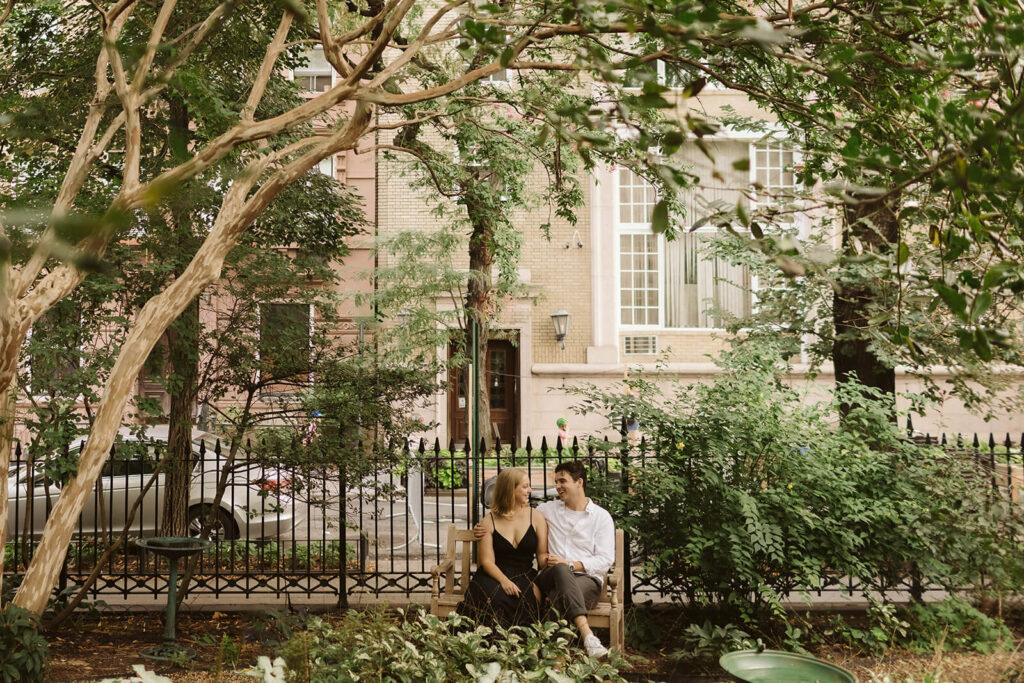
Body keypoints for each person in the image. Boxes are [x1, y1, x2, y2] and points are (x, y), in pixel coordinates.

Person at [475, 461, 613, 658]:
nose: (557, 486)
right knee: (560, 571)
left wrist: (571, 564)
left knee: (559, 596)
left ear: (579, 482)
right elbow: (513, 511)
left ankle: (554, 659)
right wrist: (479, 528)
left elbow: (605, 560)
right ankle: (587, 637)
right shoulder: (548, 510)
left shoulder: (601, 517)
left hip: (585, 579)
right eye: (556, 481)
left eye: (562, 481)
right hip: (551, 574)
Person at [458, 468, 549, 628]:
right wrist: (504, 581)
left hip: (525, 574)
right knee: (497, 598)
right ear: (510, 489)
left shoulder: (535, 516)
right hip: (493, 575)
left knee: (523, 598)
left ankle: (518, 647)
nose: (530, 490)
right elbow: (486, 562)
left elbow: (542, 555)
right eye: (525, 486)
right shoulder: (489, 520)